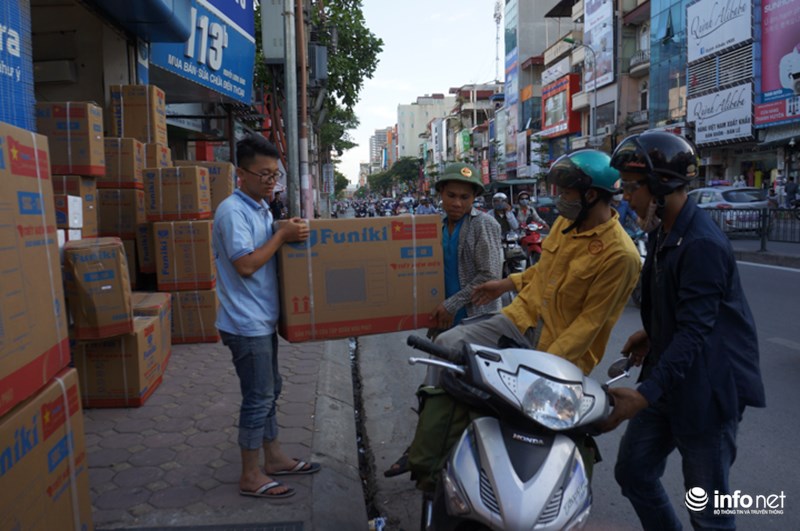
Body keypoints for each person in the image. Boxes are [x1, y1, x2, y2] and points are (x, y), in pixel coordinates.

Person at [403, 150, 641, 487]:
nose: (558, 199)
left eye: (566, 193)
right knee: (447, 346)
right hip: (516, 320)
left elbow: (590, 324)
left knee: (525, 422)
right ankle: (432, 447)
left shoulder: (622, 255)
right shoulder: (564, 224)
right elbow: (543, 272)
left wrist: (542, 368)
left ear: (590, 195)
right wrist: (504, 283)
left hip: (555, 350)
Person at [602, 131, 766, 530]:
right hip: (669, 377)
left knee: (708, 514)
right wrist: (652, 334)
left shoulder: (701, 245)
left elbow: (695, 332)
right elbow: (675, 307)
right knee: (634, 472)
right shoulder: (662, 231)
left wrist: (643, 396)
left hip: (708, 392)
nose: (625, 197)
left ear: (660, 186)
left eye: (632, 187)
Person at [213, 135, 320, 500]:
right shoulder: (232, 211)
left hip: (261, 319)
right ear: (240, 173)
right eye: (264, 174)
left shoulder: (259, 207)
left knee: (270, 389)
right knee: (258, 397)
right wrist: (282, 235)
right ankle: (250, 474)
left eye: (275, 174)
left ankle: (273, 458)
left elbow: (265, 248)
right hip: (245, 323)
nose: (271, 181)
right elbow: (245, 264)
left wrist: (281, 229)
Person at [383, 162, 503, 477]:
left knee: (473, 392)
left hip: (478, 321)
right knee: (436, 388)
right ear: (439, 193)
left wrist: (452, 303)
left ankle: (458, 457)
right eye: (452, 195)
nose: (458, 203)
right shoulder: (433, 225)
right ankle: (428, 449)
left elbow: (489, 275)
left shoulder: (483, 225)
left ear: (475, 198)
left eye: (466, 197)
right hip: (443, 321)